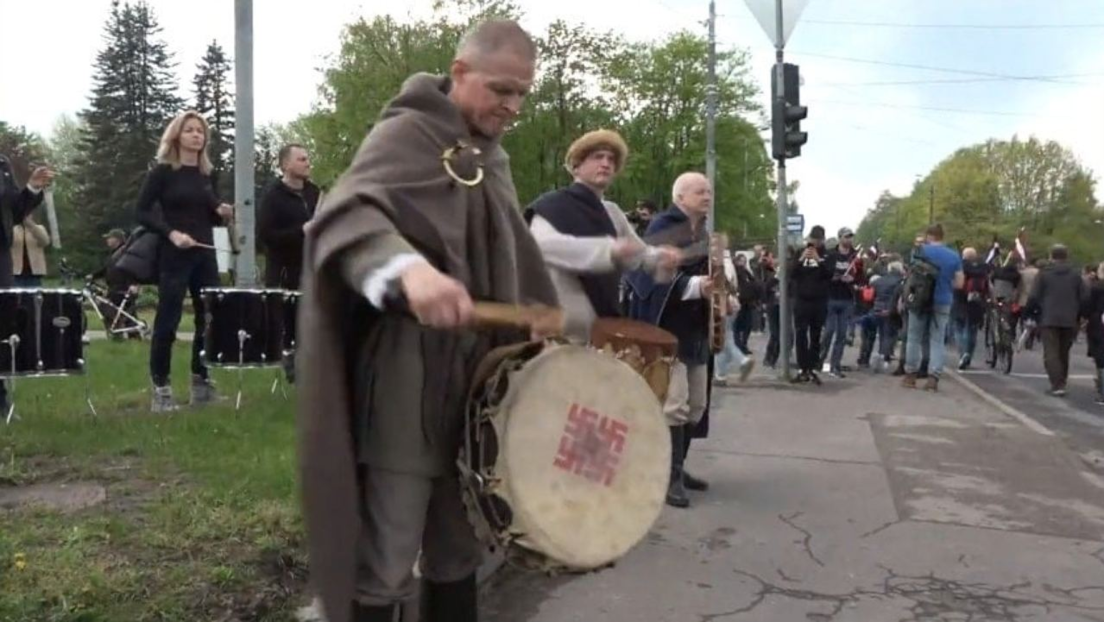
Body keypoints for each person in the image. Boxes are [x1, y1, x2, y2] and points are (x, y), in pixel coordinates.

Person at [295, 20, 561, 622]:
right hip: (408, 380)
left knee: (459, 545)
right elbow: (347, 217)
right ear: (459, 71)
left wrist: (538, 317)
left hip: (477, 388)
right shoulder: (407, 133)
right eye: (501, 90)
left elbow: (512, 250)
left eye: (523, 93)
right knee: (389, 553)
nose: (513, 106)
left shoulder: (492, 158)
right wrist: (405, 271)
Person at [526, 129, 678, 341]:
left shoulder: (613, 212)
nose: (606, 163)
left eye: (611, 159)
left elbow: (640, 257)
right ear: (576, 166)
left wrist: (663, 258)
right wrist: (608, 250)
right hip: (558, 335)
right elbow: (542, 246)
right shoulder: (552, 205)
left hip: (603, 332)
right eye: (598, 157)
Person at [625, 172, 714, 509]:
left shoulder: (702, 232)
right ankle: (667, 475)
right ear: (680, 197)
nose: (707, 195)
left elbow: (710, 278)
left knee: (696, 405)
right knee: (674, 405)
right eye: (699, 191)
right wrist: (696, 287)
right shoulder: (663, 226)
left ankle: (678, 466)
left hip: (696, 330)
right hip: (668, 330)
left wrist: (722, 296)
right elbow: (650, 277)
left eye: (708, 190)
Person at [136, 111, 234, 412]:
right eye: (190, 130)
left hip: (204, 253)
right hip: (175, 254)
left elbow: (208, 210)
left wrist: (221, 210)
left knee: (209, 319)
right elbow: (141, 211)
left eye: (200, 131)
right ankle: (161, 389)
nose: (196, 135)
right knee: (168, 321)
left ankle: (201, 383)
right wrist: (171, 233)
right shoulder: (163, 172)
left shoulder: (207, 174)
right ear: (177, 135)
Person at [0, 156, 53, 417]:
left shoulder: (2, 164)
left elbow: (15, 210)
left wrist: (31, 188)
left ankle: (0, 399)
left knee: (2, 324)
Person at [901, 224, 964, 392]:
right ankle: (933, 378)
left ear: (929, 235)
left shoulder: (920, 251)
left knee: (914, 337)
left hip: (919, 301)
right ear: (942, 236)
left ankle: (910, 376)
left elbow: (911, 276)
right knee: (937, 340)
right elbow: (959, 283)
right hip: (943, 300)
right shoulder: (953, 256)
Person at [258, 143, 321, 290]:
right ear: (286, 165)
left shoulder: (314, 192)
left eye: (307, 159)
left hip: (311, 274)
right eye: (302, 160)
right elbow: (265, 236)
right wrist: (301, 231)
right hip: (283, 277)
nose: (308, 164)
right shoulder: (272, 196)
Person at [1027, 244, 1086, 397]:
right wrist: (1080, 314)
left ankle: (1057, 384)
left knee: (1051, 353)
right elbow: (1084, 297)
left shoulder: (1044, 274)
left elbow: (1034, 296)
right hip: (1070, 318)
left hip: (1049, 317)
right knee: (1063, 352)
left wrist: (1033, 313)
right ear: (1066, 256)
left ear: (1051, 256)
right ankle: (1062, 381)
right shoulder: (1075, 275)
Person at [790, 234, 832, 384]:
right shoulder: (800, 252)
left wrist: (818, 260)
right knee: (801, 334)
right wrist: (801, 259)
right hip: (802, 300)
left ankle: (813, 367)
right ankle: (802, 368)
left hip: (819, 301)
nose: (814, 243)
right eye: (812, 240)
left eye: (818, 240)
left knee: (816, 335)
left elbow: (829, 274)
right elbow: (791, 273)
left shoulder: (827, 255)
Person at [820, 227, 861, 378]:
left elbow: (861, 276)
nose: (849, 239)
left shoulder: (855, 256)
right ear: (840, 238)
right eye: (846, 236)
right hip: (831, 297)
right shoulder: (831, 255)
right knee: (829, 331)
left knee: (842, 334)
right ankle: (820, 359)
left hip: (847, 298)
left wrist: (853, 280)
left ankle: (835, 365)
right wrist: (836, 277)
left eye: (851, 236)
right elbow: (824, 274)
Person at [954, 247, 989, 370]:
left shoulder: (960, 266)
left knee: (959, 328)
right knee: (972, 330)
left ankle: (963, 353)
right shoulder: (983, 268)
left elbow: (956, 283)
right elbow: (988, 285)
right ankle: (969, 355)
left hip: (960, 300)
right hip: (977, 302)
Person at [1083, 261, 1104, 405]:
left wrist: (1083, 317)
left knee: (1100, 358)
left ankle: (1102, 389)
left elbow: (1086, 306)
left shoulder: (1096, 288)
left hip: (1098, 325)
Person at [10, 212, 50, 288]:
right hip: (16, 272)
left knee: (33, 297)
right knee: (17, 297)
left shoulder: (39, 228)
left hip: (34, 273)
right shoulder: (13, 229)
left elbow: (45, 241)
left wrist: (31, 226)